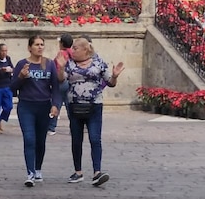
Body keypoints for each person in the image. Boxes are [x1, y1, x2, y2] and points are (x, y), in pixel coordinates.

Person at [59, 37, 124, 187]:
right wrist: (61, 68)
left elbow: (111, 83)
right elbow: (61, 80)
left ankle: (97, 172)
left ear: (85, 50)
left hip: (94, 105)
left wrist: (114, 75)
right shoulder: (69, 64)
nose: (72, 50)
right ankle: (78, 171)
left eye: (75, 48)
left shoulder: (98, 63)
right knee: (76, 139)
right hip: (75, 105)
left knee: (95, 138)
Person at [10, 35, 62, 187]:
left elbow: (56, 88)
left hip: (44, 106)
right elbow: (12, 88)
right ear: (29, 47)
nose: (40, 47)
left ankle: (38, 168)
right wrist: (21, 77)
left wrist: (56, 105)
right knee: (29, 138)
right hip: (26, 106)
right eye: (37, 44)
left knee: (40, 141)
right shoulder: (22, 64)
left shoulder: (49, 64)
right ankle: (30, 172)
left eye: (42, 44)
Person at [49, 34, 74, 135]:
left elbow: (58, 68)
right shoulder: (73, 53)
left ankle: (51, 127)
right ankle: (73, 128)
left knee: (56, 104)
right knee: (69, 106)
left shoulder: (61, 53)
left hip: (61, 81)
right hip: (70, 81)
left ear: (62, 43)